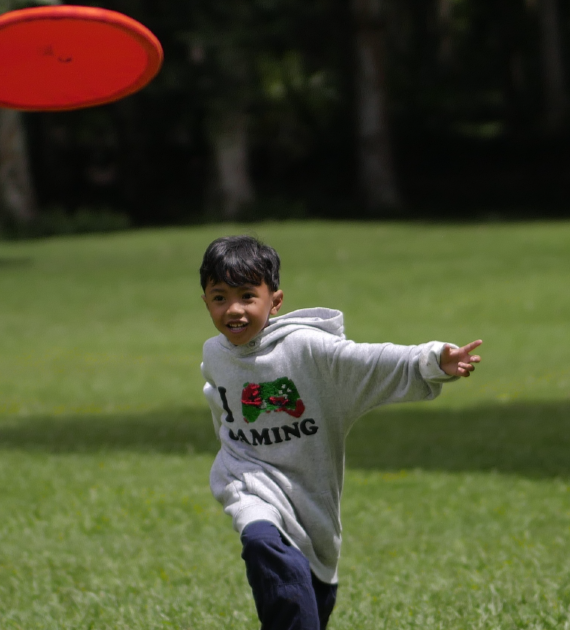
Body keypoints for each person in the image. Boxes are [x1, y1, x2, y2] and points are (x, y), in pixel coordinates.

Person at [199, 235, 482, 630]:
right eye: (219, 297)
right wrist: (233, 464)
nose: (234, 310)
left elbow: (368, 361)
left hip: (311, 500)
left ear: (275, 302)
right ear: (206, 302)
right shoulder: (215, 353)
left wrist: (432, 360)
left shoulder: (308, 351)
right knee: (263, 542)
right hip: (248, 482)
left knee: (311, 595)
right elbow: (222, 407)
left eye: (247, 296)